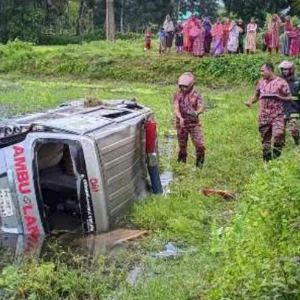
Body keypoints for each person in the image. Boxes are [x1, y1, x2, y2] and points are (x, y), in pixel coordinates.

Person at [245, 63, 292, 162]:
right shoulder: (260, 82)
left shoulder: (281, 82)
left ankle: (276, 159)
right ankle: (267, 162)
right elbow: (257, 95)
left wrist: (279, 97)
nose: (261, 73)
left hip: (277, 115)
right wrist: (250, 101)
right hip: (264, 116)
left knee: (279, 135)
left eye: (263, 71)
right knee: (265, 140)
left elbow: (289, 98)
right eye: (261, 71)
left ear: (270, 70)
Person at [174, 72, 205, 167]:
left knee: (200, 145)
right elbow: (176, 109)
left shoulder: (196, 95)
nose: (183, 88)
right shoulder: (178, 95)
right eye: (181, 86)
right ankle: (181, 165)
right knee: (182, 146)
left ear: (191, 85)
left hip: (194, 124)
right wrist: (180, 118)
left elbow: (201, 107)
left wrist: (196, 113)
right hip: (182, 124)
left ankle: (199, 166)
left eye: (185, 86)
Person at [279, 60, 300, 145]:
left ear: (291, 69)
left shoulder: (298, 81)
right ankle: (281, 146)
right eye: (283, 69)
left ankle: (297, 143)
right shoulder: (279, 81)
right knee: (280, 130)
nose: (284, 71)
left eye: (286, 69)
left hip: (294, 108)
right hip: (282, 109)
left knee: (293, 129)